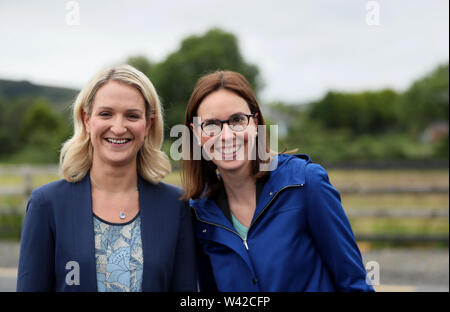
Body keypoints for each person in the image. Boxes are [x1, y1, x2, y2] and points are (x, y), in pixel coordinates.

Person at [181, 70, 374, 292]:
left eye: (237, 120)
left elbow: (354, 282)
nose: (225, 136)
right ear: (196, 133)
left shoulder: (305, 183)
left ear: (255, 123)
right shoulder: (199, 214)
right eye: (211, 125)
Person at [17, 64, 197, 292]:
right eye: (106, 114)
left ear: (148, 124)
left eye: (132, 115)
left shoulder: (175, 205)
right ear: (87, 120)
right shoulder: (47, 203)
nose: (119, 127)